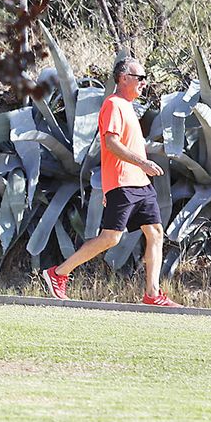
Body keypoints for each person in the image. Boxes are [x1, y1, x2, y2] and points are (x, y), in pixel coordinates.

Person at [38, 56, 179, 307]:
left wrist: (142, 169)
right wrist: (142, 164)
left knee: (156, 233)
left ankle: (152, 294)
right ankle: (58, 273)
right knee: (111, 238)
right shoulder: (113, 104)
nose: (144, 83)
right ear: (124, 79)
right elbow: (111, 144)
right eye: (140, 78)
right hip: (124, 183)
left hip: (140, 183)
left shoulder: (128, 106)